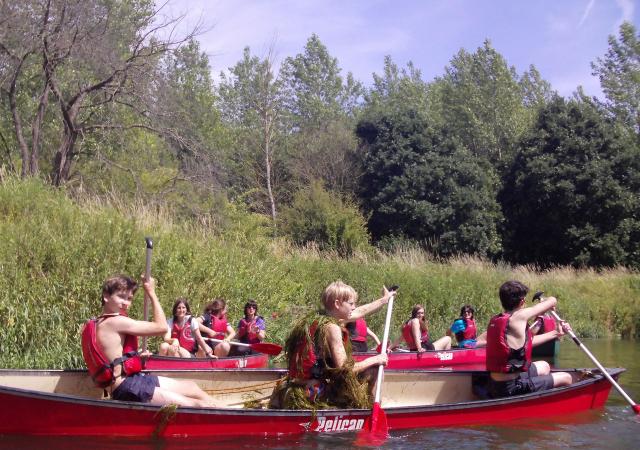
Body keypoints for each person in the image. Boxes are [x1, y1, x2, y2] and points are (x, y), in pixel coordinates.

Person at [81, 275, 217, 407]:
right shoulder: (115, 321)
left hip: (133, 380)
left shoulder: (99, 322)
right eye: (121, 297)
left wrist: (136, 358)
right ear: (106, 296)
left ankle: (227, 409)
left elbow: (112, 357)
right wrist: (151, 292)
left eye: (129, 298)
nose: (126, 303)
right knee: (196, 404)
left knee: (192, 387)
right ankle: (227, 416)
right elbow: (162, 327)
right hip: (127, 387)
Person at [268, 281, 393, 410]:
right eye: (351, 304)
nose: (354, 307)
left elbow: (361, 311)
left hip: (296, 386)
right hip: (312, 390)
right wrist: (375, 359)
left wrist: (384, 300)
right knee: (376, 369)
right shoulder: (332, 328)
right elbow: (345, 368)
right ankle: (370, 410)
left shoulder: (319, 318)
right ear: (337, 304)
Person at [486, 280, 573, 398]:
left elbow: (526, 343)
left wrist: (556, 333)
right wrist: (548, 301)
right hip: (510, 388)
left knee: (544, 366)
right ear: (522, 301)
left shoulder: (497, 319)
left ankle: (539, 394)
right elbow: (552, 300)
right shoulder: (519, 317)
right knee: (566, 378)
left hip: (496, 383)